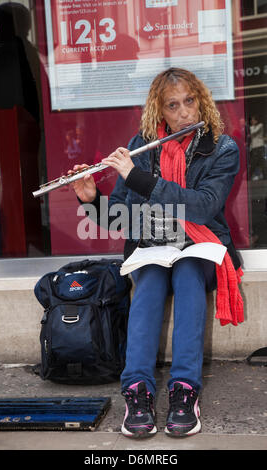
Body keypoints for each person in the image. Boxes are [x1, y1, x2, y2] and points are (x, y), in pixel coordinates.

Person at [69, 67, 244, 438]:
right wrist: (91, 200)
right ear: (159, 111)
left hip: (202, 244)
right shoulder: (141, 146)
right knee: (147, 284)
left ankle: (184, 391)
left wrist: (138, 178)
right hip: (152, 246)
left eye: (189, 102)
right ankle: (138, 391)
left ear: (201, 101)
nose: (184, 113)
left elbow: (201, 207)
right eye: (173, 105)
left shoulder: (222, 148)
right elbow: (119, 218)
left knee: (188, 274)